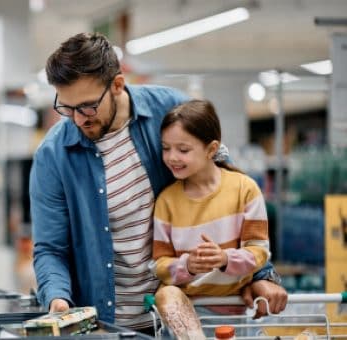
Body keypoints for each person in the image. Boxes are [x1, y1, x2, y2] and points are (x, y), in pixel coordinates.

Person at [30, 32, 287, 331]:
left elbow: (225, 189)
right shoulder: (53, 156)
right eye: (66, 108)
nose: (77, 119)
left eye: (87, 106)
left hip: (184, 317)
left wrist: (262, 276)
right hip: (105, 324)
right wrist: (58, 299)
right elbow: (50, 249)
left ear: (117, 84)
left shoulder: (171, 111)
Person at [152, 100, 271, 338]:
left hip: (239, 314)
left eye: (183, 150)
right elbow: (159, 265)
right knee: (165, 294)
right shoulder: (167, 201)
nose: (172, 157)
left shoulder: (244, 189)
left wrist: (225, 258)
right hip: (187, 317)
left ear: (211, 149)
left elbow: (259, 252)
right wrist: (187, 265)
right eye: (166, 148)